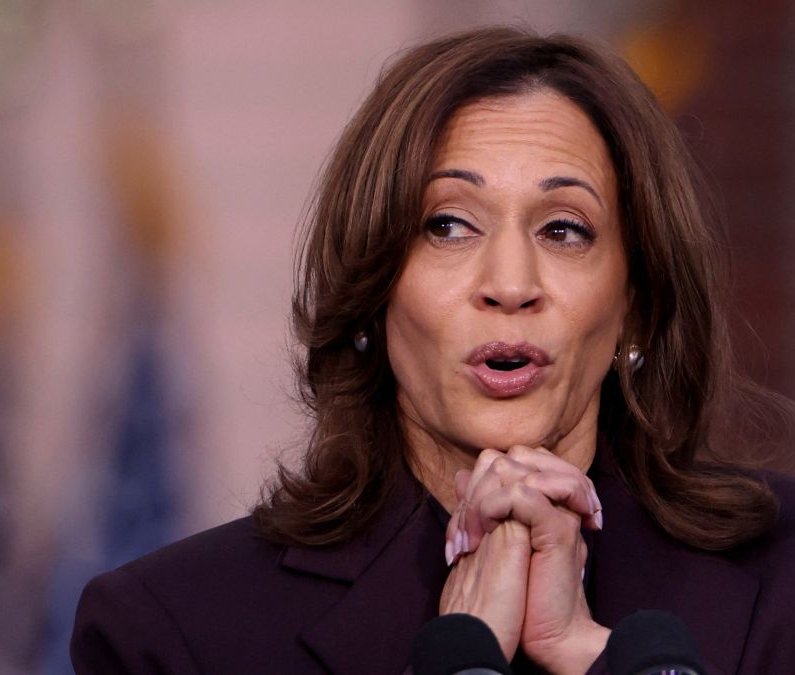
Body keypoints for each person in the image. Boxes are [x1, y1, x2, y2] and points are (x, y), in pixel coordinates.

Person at [70, 27, 795, 674]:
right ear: (372, 288)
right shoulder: (177, 632)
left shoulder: (782, 584)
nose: (510, 285)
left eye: (564, 229)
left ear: (635, 302)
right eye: (449, 225)